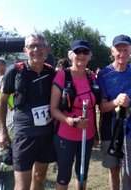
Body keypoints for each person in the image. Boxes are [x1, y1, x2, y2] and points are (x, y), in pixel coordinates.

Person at [0, 33, 56, 189]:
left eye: (40, 46)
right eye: (31, 46)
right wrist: (2, 131)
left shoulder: (51, 72)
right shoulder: (14, 71)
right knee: (22, 185)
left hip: (46, 134)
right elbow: (2, 101)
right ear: (25, 50)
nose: (36, 49)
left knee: (40, 177)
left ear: (47, 50)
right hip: (24, 135)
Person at [97, 34, 131, 190]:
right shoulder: (103, 74)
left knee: (128, 172)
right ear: (112, 51)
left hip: (129, 131)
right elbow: (102, 108)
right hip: (109, 130)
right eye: (118, 49)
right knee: (114, 171)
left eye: (126, 49)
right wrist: (116, 102)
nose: (122, 53)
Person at [50, 40, 98, 189]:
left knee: (82, 173)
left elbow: (95, 106)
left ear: (89, 56)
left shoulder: (91, 77)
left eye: (85, 52)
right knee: (64, 176)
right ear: (71, 55)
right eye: (78, 52)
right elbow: (54, 109)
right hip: (66, 134)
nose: (81, 55)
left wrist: (95, 133)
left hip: (87, 135)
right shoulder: (62, 76)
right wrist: (71, 121)